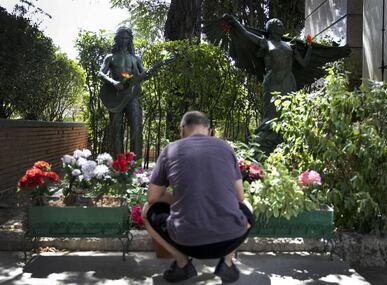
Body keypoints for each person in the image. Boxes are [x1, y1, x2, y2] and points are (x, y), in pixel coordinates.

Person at [143, 111, 253, 283]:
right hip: (231, 239)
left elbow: (152, 197)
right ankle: (227, 262)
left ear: (182, 129)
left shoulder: (171, 149)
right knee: (247, 205)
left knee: (147, 210)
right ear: (209, 131)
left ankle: (182, 263)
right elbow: (240, 196)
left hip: (186, 241)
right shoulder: (225, 148)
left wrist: (178, 199)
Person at [222, 15, 312, 152]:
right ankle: (265, 143)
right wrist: (234, 21)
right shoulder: (265, 43)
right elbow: (246, 34)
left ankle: (286, 140)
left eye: (281, 23)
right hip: (273, 83)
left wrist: (310, 48)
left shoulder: (289, 46)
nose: (281, 25)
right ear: (271, 28)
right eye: (278, 24)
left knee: (288, 113)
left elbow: (304, 64)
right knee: (271, 114)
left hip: (289, 82)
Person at [98, 26, 146, 159]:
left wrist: (147, 74)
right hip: (116, 97)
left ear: (130, 39)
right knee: (116, 130)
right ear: (117, 39)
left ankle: (135, 166)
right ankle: (118, 165)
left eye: (127, 38)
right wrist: (113, 82)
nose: (124, 40)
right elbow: (101, 73)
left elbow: (143, 75)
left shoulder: (135, 58)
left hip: (132, 96)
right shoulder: (110, 57)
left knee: (136, 129)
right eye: (122, 38)